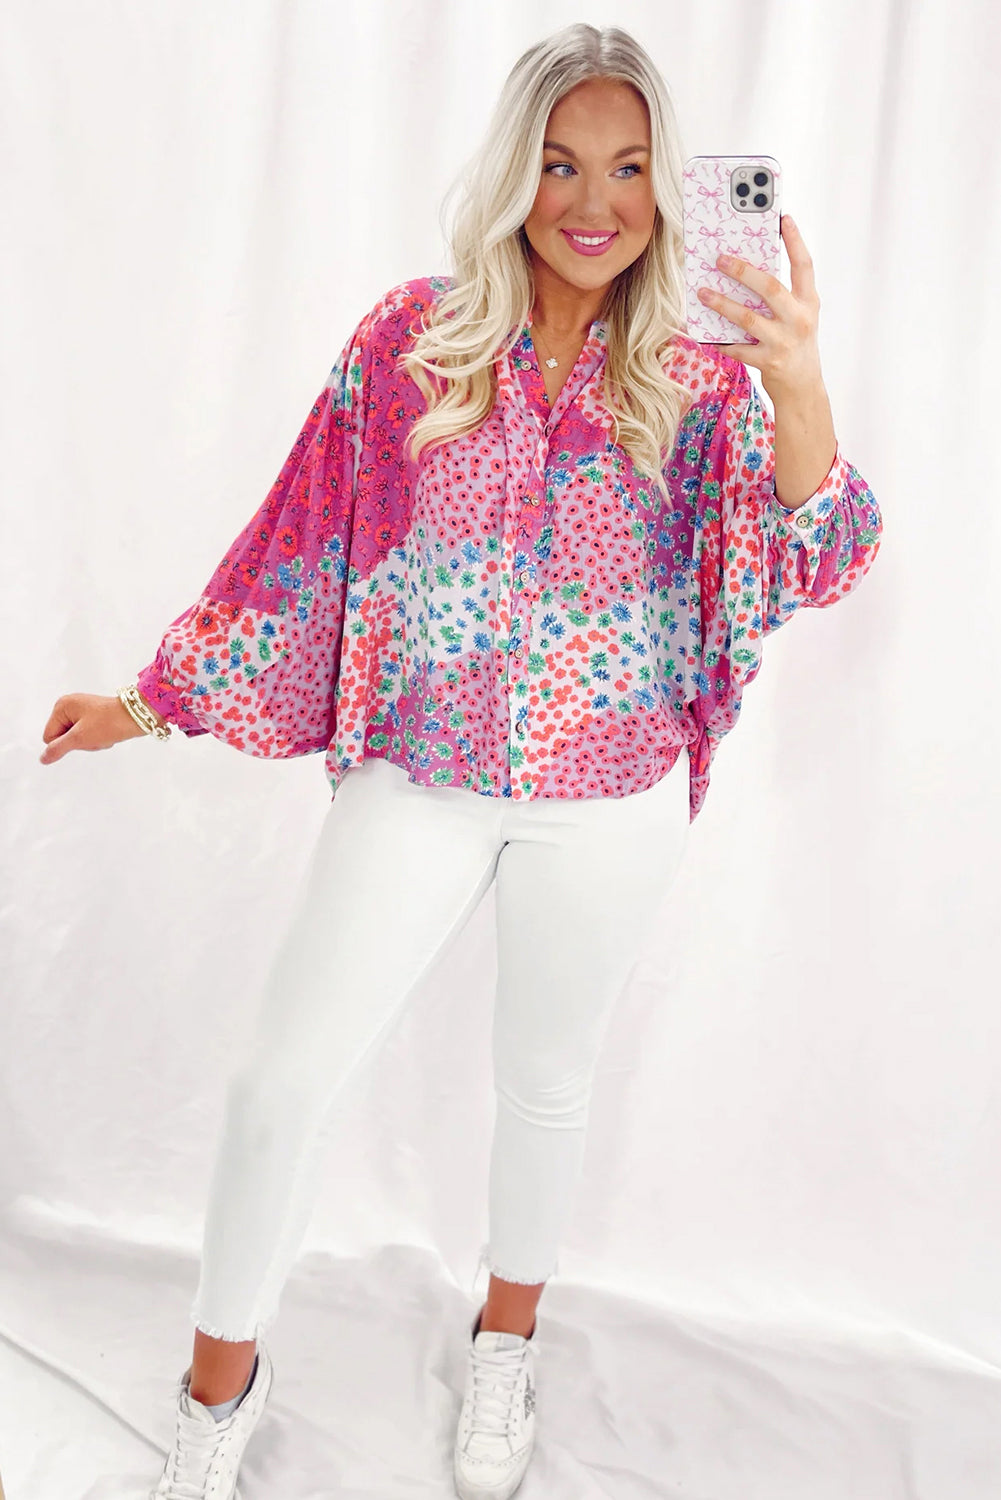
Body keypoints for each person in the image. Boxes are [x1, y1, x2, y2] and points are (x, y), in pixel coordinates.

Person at [38, 21, 882, 1500]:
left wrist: (799, 379)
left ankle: (506, 1346)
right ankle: (218, 1391)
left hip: (610, 797)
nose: (592, 201)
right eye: (559, 163)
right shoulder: (411, 341)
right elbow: (296, 547)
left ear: (669, 187)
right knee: (279, 1085)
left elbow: (819, 558)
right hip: (417, 774)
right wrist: (147, 702)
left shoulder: (700, 377)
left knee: (544, 1084)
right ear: (512, 172)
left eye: (628, 167)